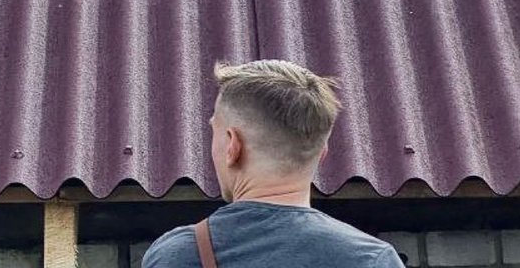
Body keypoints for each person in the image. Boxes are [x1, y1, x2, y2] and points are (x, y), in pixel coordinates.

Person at [144, 60, 403, 267]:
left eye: (215, 132)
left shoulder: (177, 254)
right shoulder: (372, 259)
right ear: (322, 154)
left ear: (232, 146)